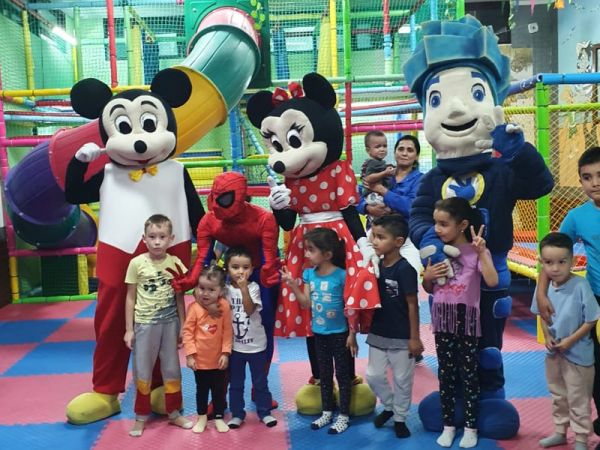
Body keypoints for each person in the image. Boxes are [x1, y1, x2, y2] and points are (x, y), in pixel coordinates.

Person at [422, 198, 498, 448]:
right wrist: (428, 277)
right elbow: (429, 287)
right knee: (446, 374)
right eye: (435, 223)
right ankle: (448, 425)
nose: (437, 229)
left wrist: (482, 253)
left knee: (469, 375)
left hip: (466, 320)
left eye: (443, 224)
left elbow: (492, 281)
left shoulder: (476, 251)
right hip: (443, 319)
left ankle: (470, 428)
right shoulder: (437, 251)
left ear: (462, 225)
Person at [536, 147, 600, 436]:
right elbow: (553, 253)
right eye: (587, 177)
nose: (594, 183)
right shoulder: (577, 217)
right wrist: (541, 293)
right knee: (595, 365)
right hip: (595, 297)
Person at [123, 214, 193, 437]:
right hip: (145, 324)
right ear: (144, 239)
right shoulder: (136, 263)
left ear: (171, 239)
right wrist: (129, 329)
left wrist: (184, 325)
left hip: (170, 323)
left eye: (162, 237)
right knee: (142, 370)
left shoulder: (175, 263)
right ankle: (140, 417)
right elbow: (130, 297)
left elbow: (180, 296)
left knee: (172, 369)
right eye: (152, 237)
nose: (157, 242)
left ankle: (174, 413)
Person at [280, 228, 355, 434]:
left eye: (311, 250)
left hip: (340, 334)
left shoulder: (341, 275)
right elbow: (305, 303)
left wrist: (352, 334)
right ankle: (327, 412)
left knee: (342, 375)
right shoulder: (309, 275)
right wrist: (292, 284)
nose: (306, 254)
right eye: (306, 249)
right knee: (324, 375)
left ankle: (344, 416)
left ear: (327, 254)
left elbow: (350, 308)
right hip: (319, 334)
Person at [531, 232, 600, 450]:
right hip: (554, 354)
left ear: (572, 260)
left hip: (579, 356)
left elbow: (591, 319)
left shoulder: (580, 286)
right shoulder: (543, 288)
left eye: (562, 262)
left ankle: (581, 439)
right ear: (542, 262)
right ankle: (560, 432)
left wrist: (570, 340)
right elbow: (542, 315)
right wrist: (547, 336)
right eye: (549, 262)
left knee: (579, 399)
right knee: (558, 396)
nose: (555, 268)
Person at [365, 214, 424, 438]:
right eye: (373, 235)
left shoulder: (405, 269)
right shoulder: (374, 265)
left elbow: (412, 304)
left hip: (402, 335)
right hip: (378, 331)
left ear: (398, 241)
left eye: (381, 237)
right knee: (373, 375)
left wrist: (415, 338)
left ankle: (400, 417)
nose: (374, 241)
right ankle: (389, 406)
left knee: (402, 379)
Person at [224, 246, 278, 429]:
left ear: (252, 269)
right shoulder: (224, 290)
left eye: (245, 267)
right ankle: (237, 414)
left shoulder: (254, 287)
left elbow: (249, 310)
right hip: (235, 347)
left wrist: (243, 289)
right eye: (235, 267)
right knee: (236, 384)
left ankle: (264, 412)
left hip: (256, 346)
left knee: (260, 382)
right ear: (227, 269)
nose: (241, 272)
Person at [358, 135, 424, 274]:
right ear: (394, 153)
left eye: (410, 150)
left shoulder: (421, 180)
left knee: (409, 275)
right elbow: (355, 197)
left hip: (406, 238)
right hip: (377, 235)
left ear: (416, 156)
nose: (404, 153)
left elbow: (411, 207)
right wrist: (367, 208)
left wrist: (382, 190)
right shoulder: (383, 173)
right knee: (369, 275)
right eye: (401, 149)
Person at [182, 264, 233, 433]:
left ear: (221, 291)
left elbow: (227, 331)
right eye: (201, 288)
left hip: (218, 360)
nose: (205, 293)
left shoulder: (224, 306)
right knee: (201, 391)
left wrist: (225, 353)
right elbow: (187, 333)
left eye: (211, 290)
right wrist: (190, 355)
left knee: (219, 391)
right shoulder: (194, 308)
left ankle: (218, 417)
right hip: (200, 361)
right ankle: (202, 417)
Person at [360, 130, 396, 207]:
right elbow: (368, 178)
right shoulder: (373, 162)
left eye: (384, 146)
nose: (382, 149)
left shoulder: (380, 162)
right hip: (373, 195)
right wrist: (385, 173)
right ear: (368, 150)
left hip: (378, 194)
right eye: (377, 147)